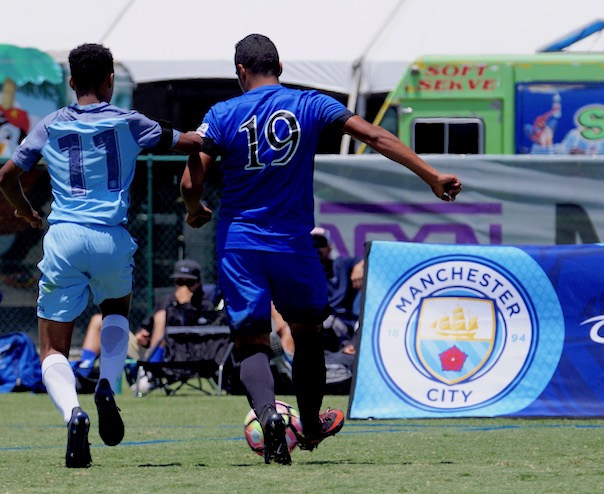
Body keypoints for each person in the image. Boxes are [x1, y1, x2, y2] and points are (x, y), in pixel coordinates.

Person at [180, 33, 461, 466]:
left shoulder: (220, 114)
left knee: (252, 340)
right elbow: (374, 136)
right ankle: (309, 426)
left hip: (240, 243)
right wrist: (430, 175)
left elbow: (190, 177)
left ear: (240, 71)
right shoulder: (310, 104)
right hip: (293, 242)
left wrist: (194, 206)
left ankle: (270, 415)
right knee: (308, 332)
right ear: (280, 66)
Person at [0, 43, 202, 468]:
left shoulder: (51, 124)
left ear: (71, 83)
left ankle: (75, 413)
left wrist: (22, 208)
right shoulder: (132, 122)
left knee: (52, 348)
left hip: (64, 237)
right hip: (111, 237)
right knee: (115, 313)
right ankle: (107, 385)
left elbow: (6, 175)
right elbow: (189, 142)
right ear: (111, 79)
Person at [75, 259, 221, 392]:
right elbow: (148, 326)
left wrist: (186, 306)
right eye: (179, 282)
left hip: (184, 354)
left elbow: (201, 334)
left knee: (162, 317)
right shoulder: (165, 301)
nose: (183, 288)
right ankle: (84, 371)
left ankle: (151, 373)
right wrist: (143, 335)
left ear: (198, 283)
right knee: (99, 320)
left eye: (189, 283)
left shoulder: (204, 304)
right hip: (153, 350)